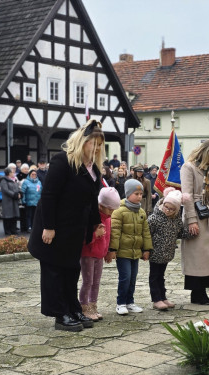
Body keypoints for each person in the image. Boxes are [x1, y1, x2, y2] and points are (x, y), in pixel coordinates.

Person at [27, 119, 105, 332]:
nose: (97, 148)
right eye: (93, 143)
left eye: (100, 144)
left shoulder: (93, 170)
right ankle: (60, 314)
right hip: (54, 228)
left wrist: (95, 224)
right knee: (54, 271)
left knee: (71, 270)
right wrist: (49, 226)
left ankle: (72, 307)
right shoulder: (63, 161)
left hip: (74, 230)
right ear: (82, 142)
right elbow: (49, 195)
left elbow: (91, 201)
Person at [181, 139, 209, 305]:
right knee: (197, 256)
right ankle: (196, 292)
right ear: (207, 153)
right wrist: (191, 220)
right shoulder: (189, 167)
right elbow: (187, 195)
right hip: (197, 216)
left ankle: (204, 290)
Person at [109, 179, 153, 315]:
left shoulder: (141, 212)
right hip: (123, 252)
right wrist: (113, 250)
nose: (139, 196)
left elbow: (146, 232)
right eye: (136, 193)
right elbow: (115, 232)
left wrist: (146, 249)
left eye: (141, 194)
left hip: (135, 252)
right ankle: (121, 303)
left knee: (133, 278)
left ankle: (130, 301)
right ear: (128, 194)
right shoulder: (119, 211)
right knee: (125, 277)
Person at [80, 187, 120, 321]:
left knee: (96, 282)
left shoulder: (108, 218)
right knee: (88, 281)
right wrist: (94, 235)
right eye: (110, 209)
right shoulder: (93, 216)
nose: (112, 212)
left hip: (99, 254)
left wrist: (108, 251)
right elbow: (83, 237)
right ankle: (84, 306)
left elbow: (108, 236)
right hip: (88, 253)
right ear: (101, 205)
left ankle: (93, 305)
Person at [147, 189, 185, 310]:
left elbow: (180, 233)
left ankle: (163, 297)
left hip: (167, 253)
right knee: (154, 275)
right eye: (166, 207)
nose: (167, 210)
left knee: (161, 276)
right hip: (155, 252)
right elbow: (147, 235)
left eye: (171, 209)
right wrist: (146, 249)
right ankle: (156, 299)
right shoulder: (154, 218)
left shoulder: (176, 219)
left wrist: (191, 233)